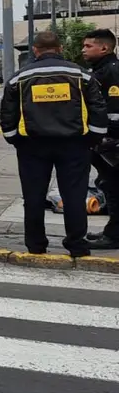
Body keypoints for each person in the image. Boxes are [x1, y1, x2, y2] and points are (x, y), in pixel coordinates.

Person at [0, 30, 108, 257]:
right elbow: (98, 109)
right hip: (74, 144)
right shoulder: (82, 75)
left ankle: (36, 245)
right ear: (60, 49)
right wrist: (92, 139)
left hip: (32, 146)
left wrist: (15, 139)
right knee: (74, 196)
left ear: (35, 50)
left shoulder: (19, 78)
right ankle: (77, 245)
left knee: (33, 197)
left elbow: (7, 114)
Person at [82, 29, 119, 249]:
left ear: (104, 48)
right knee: (108, 186)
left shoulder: (112, 72)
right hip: (105, 142)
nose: (83, 50)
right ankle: (112, 231)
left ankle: (114, 236)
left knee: (114, 188)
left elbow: (113, 112)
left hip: (112, 143)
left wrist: (105, 136)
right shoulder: (101, 70)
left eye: (88, 46)